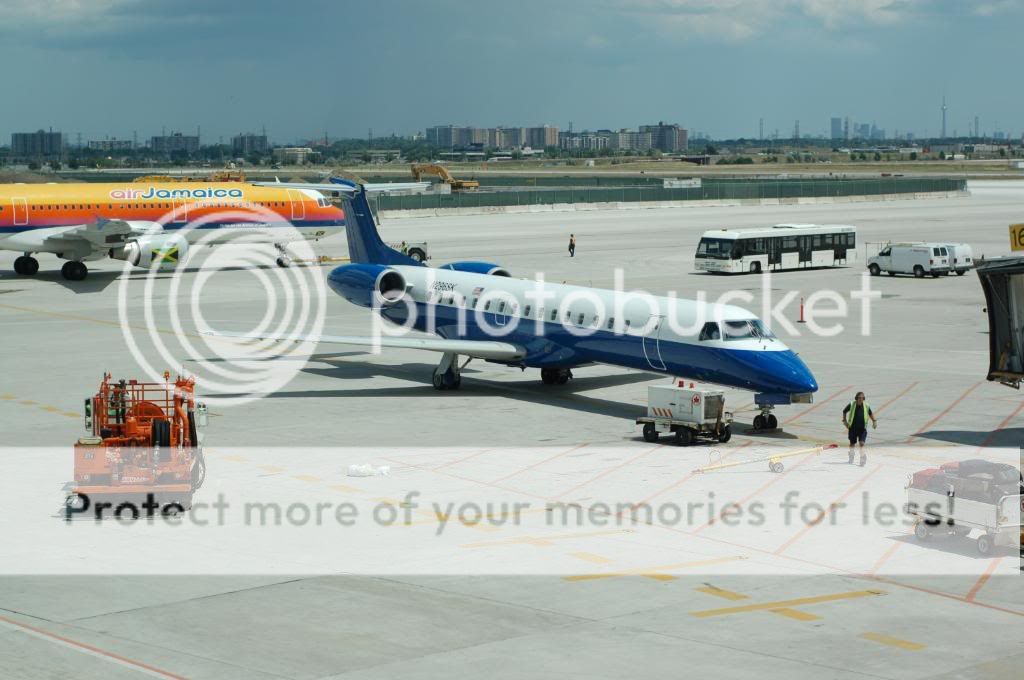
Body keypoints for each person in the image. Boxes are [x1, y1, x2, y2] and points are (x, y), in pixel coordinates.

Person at [842, 391, 877, 466]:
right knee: (852, 444)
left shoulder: (866, 405)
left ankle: (862, 457)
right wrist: (844, 421)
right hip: (852, 428)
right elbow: (844, 411)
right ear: (856, 398)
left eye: (862, 398)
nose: (861, 399)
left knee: (861, 444)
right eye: (859, 398)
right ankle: (851, 457)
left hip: (862, 429)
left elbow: (870, 413)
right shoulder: (852, 404)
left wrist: (874, 421)